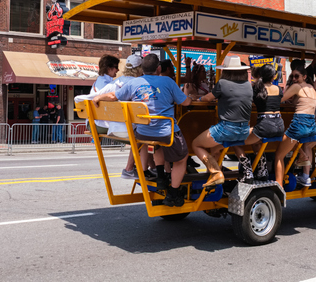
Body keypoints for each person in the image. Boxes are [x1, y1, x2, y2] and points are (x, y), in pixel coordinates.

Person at [94, 54, 192, 207]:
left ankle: (161, 177)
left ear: (143, 69)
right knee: (182, 159)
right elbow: (186, 102)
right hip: (165, 131)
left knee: (157, 144)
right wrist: (188, 93)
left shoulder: (134, 83)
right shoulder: (167, 81)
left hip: (143, 132)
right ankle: (173, 193)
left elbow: (114, 96)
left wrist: (98, 97)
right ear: (158, 68)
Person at [191, 57, 252, 187]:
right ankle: (215, 176)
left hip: (226, 129)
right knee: (214, 148)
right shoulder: (248, 85)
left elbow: (207, 98)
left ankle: (216, 172)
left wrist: (198, 98)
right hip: (244, 130)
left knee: (196, 144)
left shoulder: (223, 83)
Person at [237, 64, 285, 182]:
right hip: (279, 125)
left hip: (265, 126)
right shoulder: (279, 89)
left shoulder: (256, 88)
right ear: (273, 77)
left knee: (235, 140)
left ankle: (248, 171)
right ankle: (262, 170)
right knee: (256, 142)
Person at [275, 63, 316, 188]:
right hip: (311, 126)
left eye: (296, 76)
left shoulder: (296, 87)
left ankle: (279, 184)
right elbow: (299, 102)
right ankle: (303, 163)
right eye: (292, 76)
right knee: (292, 143)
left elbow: (279, 100)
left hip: (300, 123)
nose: (294, 79)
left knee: (279, 154)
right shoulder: (311, 87)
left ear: (304, 76)